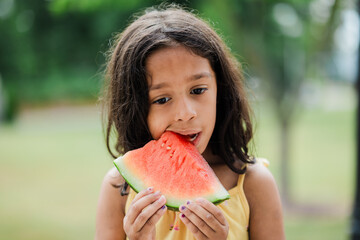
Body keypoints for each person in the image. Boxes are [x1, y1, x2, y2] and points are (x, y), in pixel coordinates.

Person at [96, 4, 285, 240]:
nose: (186, 113)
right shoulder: (118, 189)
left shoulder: (254, 184)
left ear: (220, 90)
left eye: (197, 90)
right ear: (134, 108)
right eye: (162, 99)